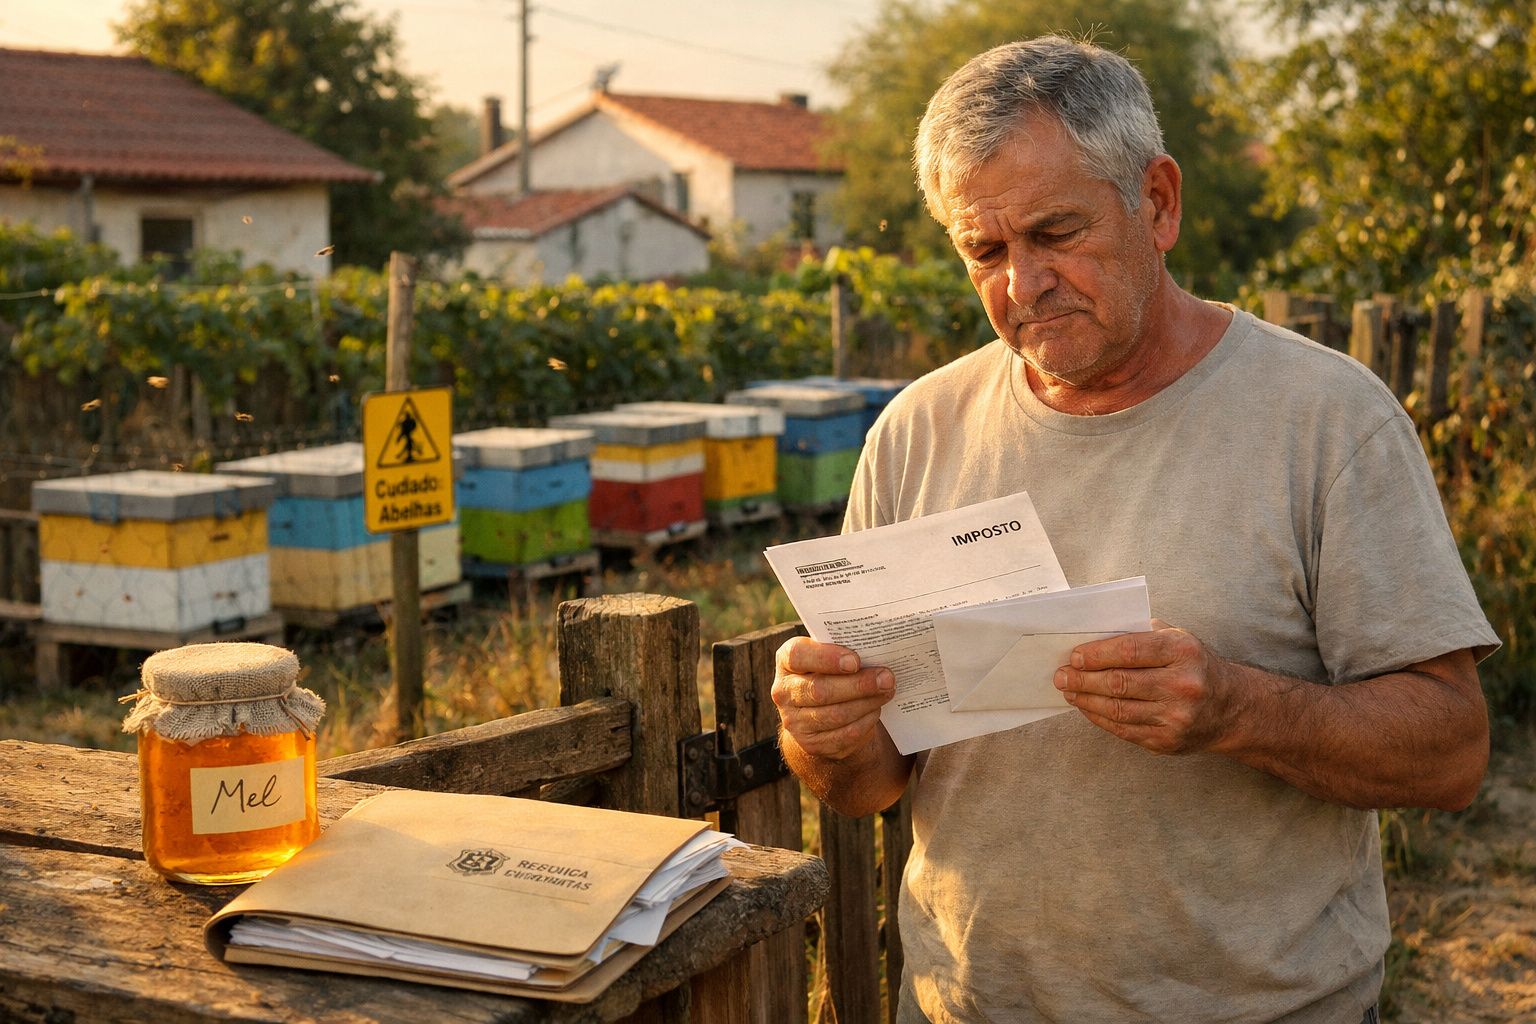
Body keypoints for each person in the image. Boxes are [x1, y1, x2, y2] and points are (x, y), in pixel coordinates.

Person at [771, 35, 1500, 1024]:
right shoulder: (916, 433)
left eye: (1055, 232)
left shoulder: (1328, 421)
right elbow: (869, 786)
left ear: (1157, 202)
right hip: (964, 1006)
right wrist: (823, 733)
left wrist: (1237, 710)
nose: (1023, 285)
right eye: (986, 251)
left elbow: (1452, 752)